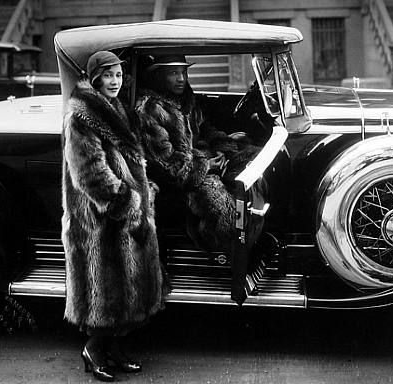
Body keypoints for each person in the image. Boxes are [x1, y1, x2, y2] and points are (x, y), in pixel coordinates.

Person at [61, 50, 166, 382]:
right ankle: (93, 349)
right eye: (108, 75)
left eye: (118, 75)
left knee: (126, 290)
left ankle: (114, 349)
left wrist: (143, 192)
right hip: (99, 219)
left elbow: (130, 160)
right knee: (104, 292)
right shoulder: (81, 116)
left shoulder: (117, 108)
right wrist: (128, 203)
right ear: (95, 78)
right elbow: (90, 174)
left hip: (123, 214)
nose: (115, 81)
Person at [134, 54, 254, 253]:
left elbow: (205, 129)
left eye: (184, 72)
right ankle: (223, 253)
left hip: (199, 162)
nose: (181, 79)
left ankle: (253, 236)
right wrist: (206, 165)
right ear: (159, 76)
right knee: (217, 199)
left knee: (249, 159)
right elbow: (166, 163)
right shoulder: (150, 109)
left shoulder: (186, 100)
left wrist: (223, 148)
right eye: (173, 73)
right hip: (176, 180)